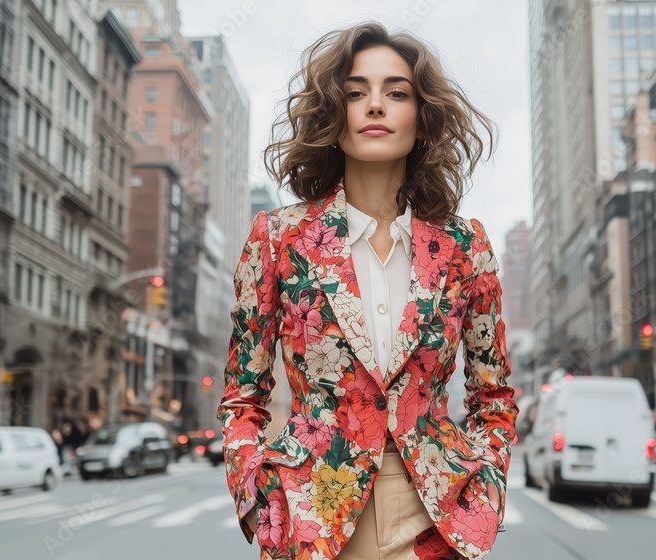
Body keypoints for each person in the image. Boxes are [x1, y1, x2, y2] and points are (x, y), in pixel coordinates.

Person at [219, 22, 519, 560]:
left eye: (396, 93)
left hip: (433, 519)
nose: (375, 105)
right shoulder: (278, 238)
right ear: (333, 116)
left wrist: (485, 494)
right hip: (313, 518)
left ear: (421, 120)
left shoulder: (465, 246)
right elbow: (243, 396)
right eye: (356, 93)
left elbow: (492, 396)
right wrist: (261, 500)